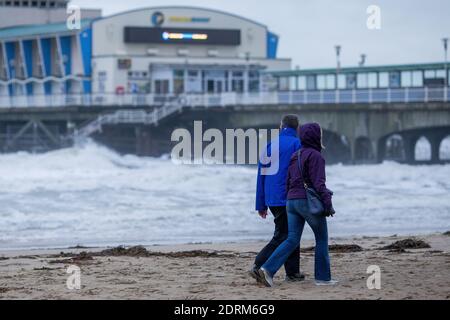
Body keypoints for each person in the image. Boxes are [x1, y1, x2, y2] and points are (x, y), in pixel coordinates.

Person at [256, 123, 337, 287]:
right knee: (321, 239)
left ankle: (268, 270)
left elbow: (288, 181)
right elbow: (319, 184)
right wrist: (328, 205)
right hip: (306, 201)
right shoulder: (316, 156)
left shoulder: (296, 155)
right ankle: (323, 278)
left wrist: (289, 198)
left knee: (291, 239)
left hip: (291, 202)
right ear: (316, 137)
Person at [250, 115, 304, 283]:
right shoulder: (297, 144)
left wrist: (261, 204)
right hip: (288, 196)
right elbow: (301, 171)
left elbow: (261, 176)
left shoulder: (269, 145)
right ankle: (258, 265)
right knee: (285, 235)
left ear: (281, 126)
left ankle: (293, 272)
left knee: (290, 233)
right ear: (297, 127)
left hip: (272, 198)